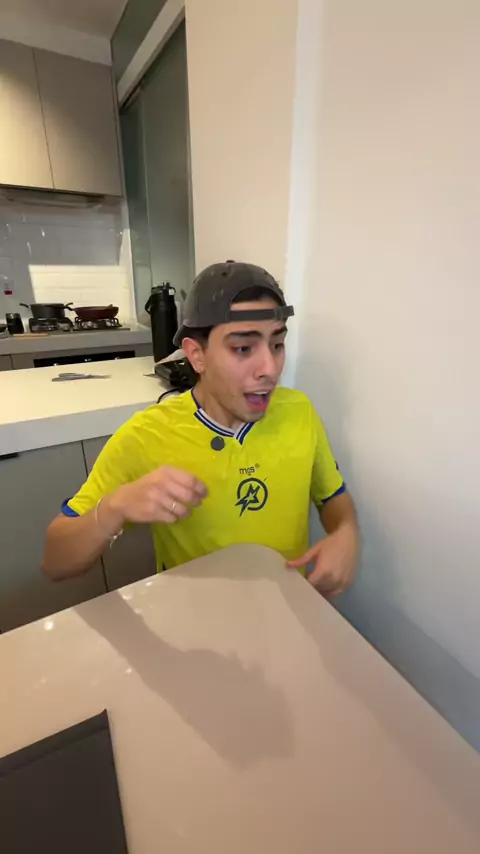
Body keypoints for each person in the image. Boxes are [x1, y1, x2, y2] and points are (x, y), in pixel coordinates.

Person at [42, 261, 359, 597]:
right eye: (243, 348)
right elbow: (56, 561)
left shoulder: (299, 412)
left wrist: (346, 532)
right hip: (194, 617)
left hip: (287, 607)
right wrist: (115, 507)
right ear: (196, 355)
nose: (269, 368)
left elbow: (332, 496)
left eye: (277, 345)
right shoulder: (146, 436)